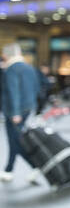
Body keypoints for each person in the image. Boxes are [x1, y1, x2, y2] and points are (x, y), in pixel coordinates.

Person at [0, 43, 39, 182]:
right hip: (27, 108)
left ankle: (35, 165)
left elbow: (13, 92)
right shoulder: (29, 68)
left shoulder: (11, 70)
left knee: (15, 141)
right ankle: (8, 169)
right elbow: (36, 88)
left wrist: (15, 113)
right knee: (15, 140)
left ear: (6, 55)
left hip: (14, 111)